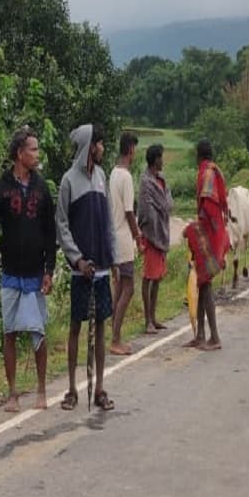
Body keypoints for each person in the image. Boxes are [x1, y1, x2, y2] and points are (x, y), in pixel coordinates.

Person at [0, 127, 57, 412]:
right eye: (33, 149)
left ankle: (41, 390)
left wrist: (50, 269)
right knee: (9, 331)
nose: (37, 154)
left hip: (36, 272)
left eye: (37, 149)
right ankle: (12, 393)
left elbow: (50, 232)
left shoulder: (41, 188)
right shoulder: (0, 187)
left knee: (37, 332)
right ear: (19, 153)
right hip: (11, 272)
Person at [55, 124, 116, 411]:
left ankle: (100, 388)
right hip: (81, 269)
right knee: (76, 327)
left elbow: (108, 221)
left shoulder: (102, 177)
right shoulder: (68, 181)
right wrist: (77, 258)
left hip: (102, 266)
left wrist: (112, 257)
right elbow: (62, 225)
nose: (103, 148)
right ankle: (71, 389)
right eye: (100, 143)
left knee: (101, 326)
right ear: (90, 146)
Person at [183, 139, 228, 351]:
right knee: (201, 282)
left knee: (206, 284)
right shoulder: (214, 170)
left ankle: (215, 337)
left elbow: (209, 209)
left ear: (198, 155)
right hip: (215, 233)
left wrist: (199, 231)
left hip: (209, 236)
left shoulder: (206, 173)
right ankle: (200, 334)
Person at [108, 132, 143, 355]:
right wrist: (138, 238)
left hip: (114, 237)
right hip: (123, 239)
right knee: (128, 288)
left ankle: (114, 335)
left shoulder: (112, 173)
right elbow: (130, 212)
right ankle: (115, 338)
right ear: (130, 149)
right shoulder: (127, 177)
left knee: (118, 287)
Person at [137, 143, 174, 335]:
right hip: (151, 236)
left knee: (158, 277)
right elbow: (145, 211)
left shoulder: (162, 180)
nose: (163, 160)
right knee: (148, 276)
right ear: (154, 160)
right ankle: (147, 320)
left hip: (162, 233)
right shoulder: (145, 182)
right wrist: (152, 229)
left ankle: (153, 316)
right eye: (161, 157)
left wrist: (161, 216)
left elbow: (168, 203)